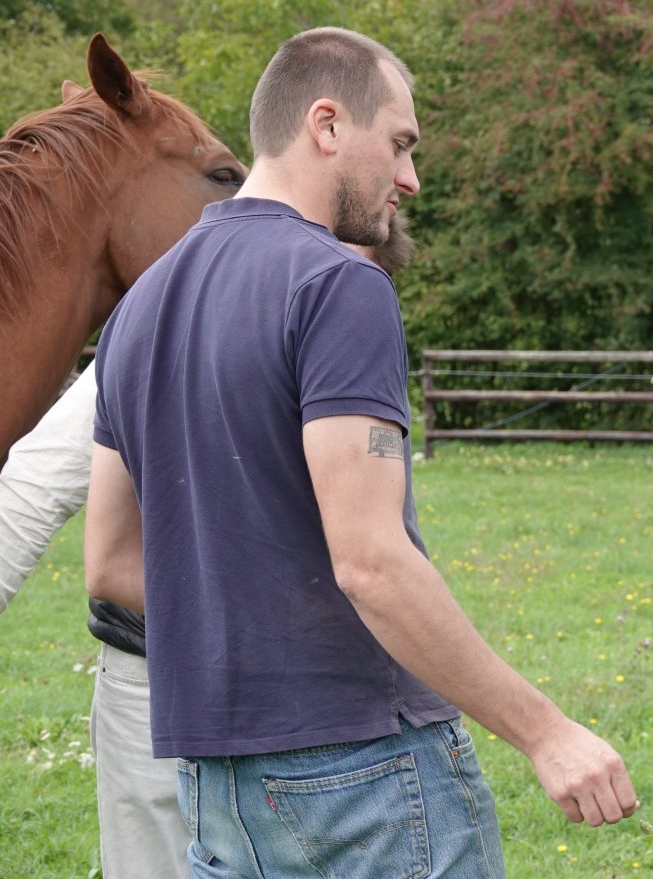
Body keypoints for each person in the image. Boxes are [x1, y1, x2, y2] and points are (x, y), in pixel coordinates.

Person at [84, 26, 637, 878]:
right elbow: (372, 564)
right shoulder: (337, 284)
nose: (410, 179)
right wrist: (547, 732)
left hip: (215, 785)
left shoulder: (140, 306)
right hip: (366, 774)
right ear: (328, 124)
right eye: (402, 144)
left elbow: (112, 564)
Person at [0, 222, 416, 879]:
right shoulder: (168, 322)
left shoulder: (342, 350)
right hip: (163, 672)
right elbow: (42, 492)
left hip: (307, 691)